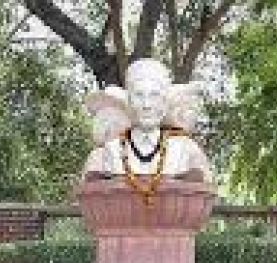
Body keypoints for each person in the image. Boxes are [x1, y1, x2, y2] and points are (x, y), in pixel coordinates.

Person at [81, 59, 211, 190]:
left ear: (165, 103)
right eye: (139, 95)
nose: (146, 105)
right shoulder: (107, 152)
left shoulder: (187, 151)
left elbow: (205, 193)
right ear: (128, 102)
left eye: (154, 96)